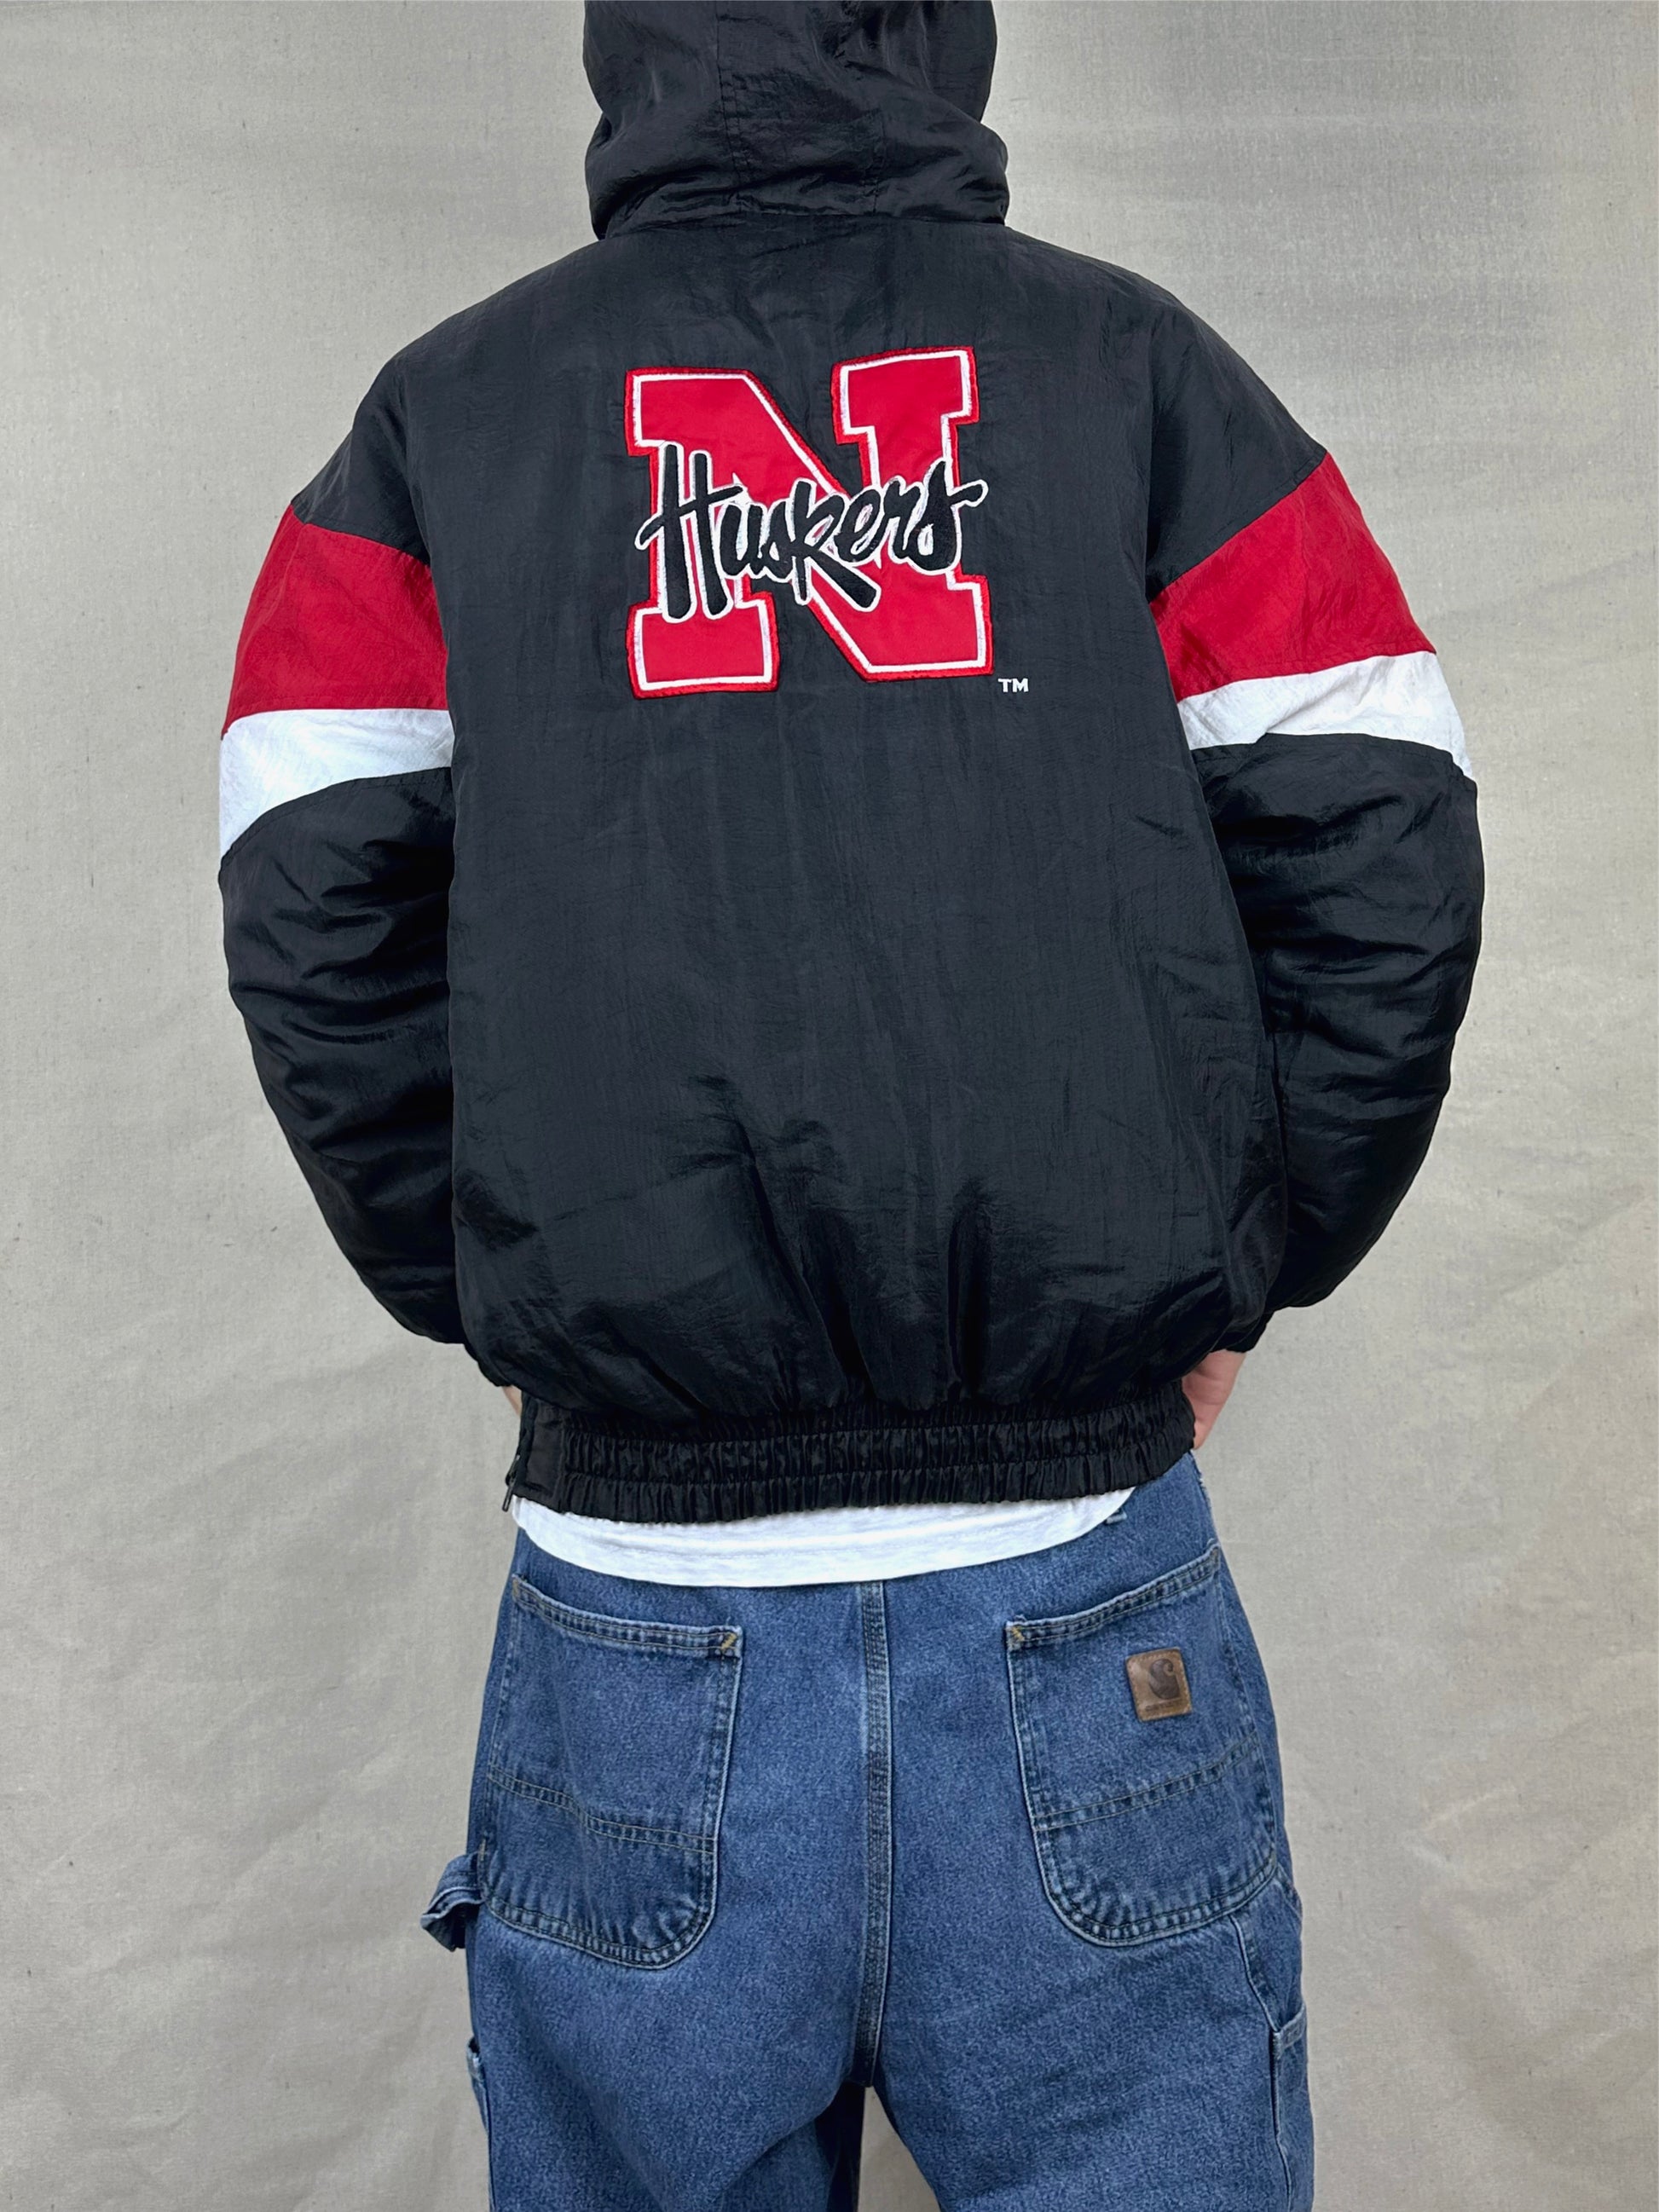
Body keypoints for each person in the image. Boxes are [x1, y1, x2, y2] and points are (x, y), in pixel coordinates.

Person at [217, 3, 1482, 2204]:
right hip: (1078, 1572)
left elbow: (312, 893)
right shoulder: (1137, 369)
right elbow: (1377, 831)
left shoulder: (447, 409)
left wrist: (506, 1278)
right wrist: (1243, 1263)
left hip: (637, 1603)